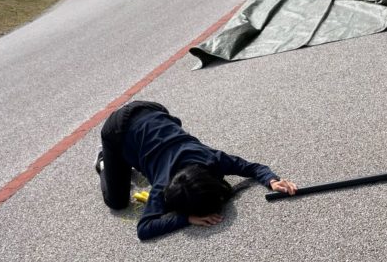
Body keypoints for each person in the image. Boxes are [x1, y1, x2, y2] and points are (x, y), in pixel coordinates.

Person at [95, 101, 297, 240]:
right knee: (117, 202)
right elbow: (144, 229)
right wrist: (185, 218)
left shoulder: (213, 160)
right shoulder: (162, 185)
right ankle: (105, 159)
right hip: (117, 130)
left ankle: (130, 155)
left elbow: (254, 168)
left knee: (144, 155)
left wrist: (272, 180)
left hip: (153, 110)